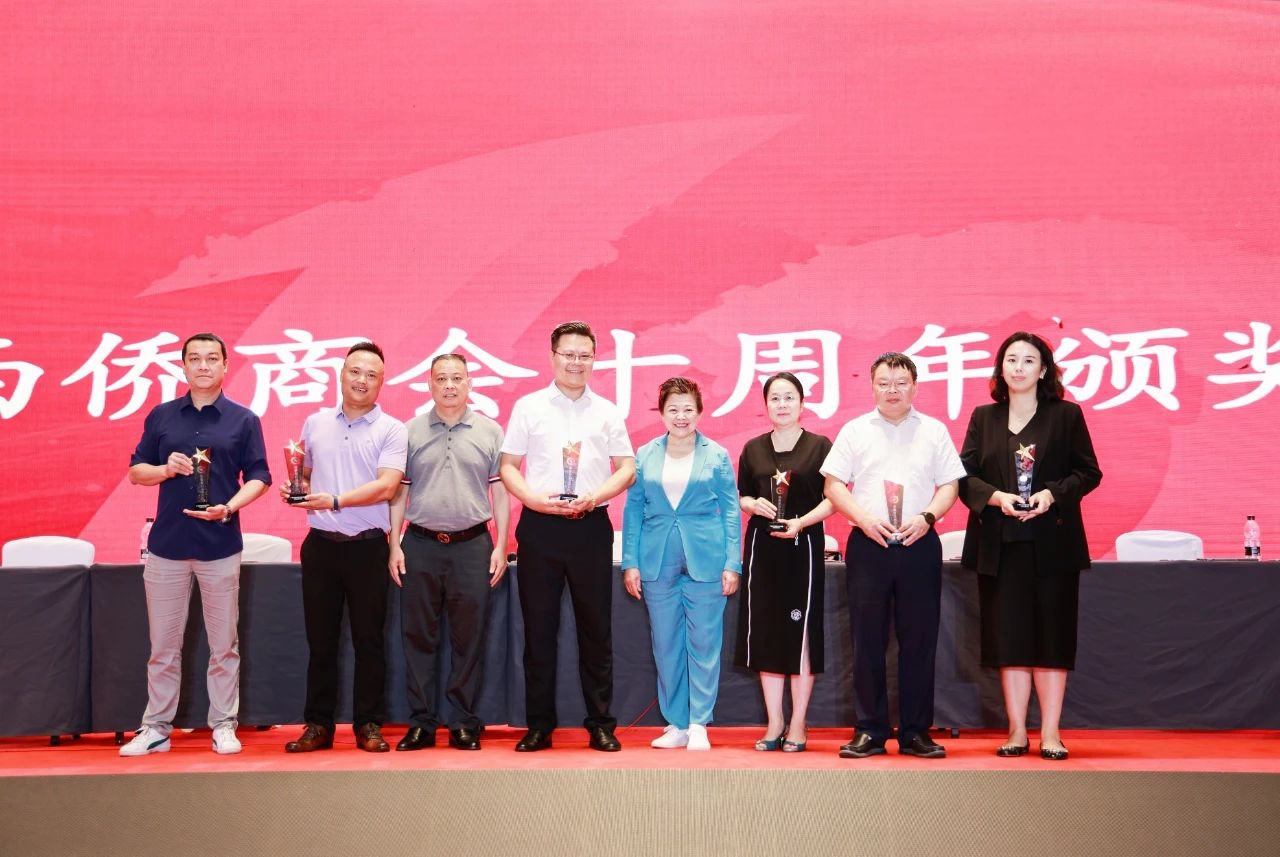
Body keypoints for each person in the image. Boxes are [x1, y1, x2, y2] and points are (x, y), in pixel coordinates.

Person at [121, 332, 271, 756]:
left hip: (220, 545)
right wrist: (165, 469)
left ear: (225, 366)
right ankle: (156, 727)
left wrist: (229, 508)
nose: (203, 366)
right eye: (195, 359)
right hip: (167, 546)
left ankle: (223, 724)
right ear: (183, 366)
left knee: (224, 646)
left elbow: (260, 477)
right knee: (163, 647)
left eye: (211, 358)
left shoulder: (243, 420)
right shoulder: (162, 416)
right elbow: (136, 472)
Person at [958, 331, 1102, 761]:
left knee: (1052, 640)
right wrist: (996, 498)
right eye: (1011, 360)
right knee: (1010, 640)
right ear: (1000, 368)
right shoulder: (984, 417)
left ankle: (1051, 733)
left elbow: (1088, 472)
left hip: (1053, 543)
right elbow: (963, 477)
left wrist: (1052, 494)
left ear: (1043, 370)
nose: (1018, 367)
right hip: (1000, 544)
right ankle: (1017, 730)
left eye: (1028, 360)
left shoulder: (1066, 415)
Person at [821, 352, 965, 759]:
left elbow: (950, 485)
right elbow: (833, 485)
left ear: (914, 386)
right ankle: (869, 730)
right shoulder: (855, 430)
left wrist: (928, 517)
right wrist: (863, 519)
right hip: (870, 545)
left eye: (901, 382)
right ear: (872, 387)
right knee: (867, 640)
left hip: (920, 543)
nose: (892, 390)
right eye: (884, 383)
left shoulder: (934, 430)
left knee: (920, 640)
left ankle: (916, 731)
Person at [500, 321, 635, 752]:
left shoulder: (608, 411)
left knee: (596, 631)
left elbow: (627, 468)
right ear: (552, 356)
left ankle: (601, 723)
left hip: (590, 526)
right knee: (539, 630)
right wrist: (533, 500)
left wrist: (597, 496)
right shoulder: (529, 407)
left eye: (584, 355)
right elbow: (508, 467)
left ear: (594, 359)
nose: (576, 362)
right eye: (568, 354)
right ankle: (539, 725)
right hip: (540, 528)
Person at [283, 341, 407, 753]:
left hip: (368, 548)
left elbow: (387, 486)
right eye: (355, 371)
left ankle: (368, 724)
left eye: (372, 375)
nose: (362, 380)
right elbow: (306, 474)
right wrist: (296, 489)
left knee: (370, 642)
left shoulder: (392, 429)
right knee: (321, 642)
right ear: (341, 374)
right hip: (320, 547)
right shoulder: (315, 422)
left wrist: (336, 500)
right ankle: (317, 725)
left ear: (382, 382)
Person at [388, 354, 510, 752]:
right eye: (441, 378)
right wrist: (394, 544)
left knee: (468, 639)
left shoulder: (491, 431)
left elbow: (501, 492)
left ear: (469, 383)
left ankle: (463, 722)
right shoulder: (409, 431)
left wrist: (501, 545)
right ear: (429, 384)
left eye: (457, 378)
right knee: (417, 638)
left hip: (473, 546)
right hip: (420, 544)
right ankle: (421, 723)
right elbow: (399, 492)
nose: (449, 385)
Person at [621, 378, 741, 751]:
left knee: (704, 644)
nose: (681, 416)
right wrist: (630, 562)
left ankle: (699, 723)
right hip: (656, 562)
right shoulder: (645, 455)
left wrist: (733, 563)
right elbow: (633, 510)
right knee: (666, 645)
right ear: (661, 413)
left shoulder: (716, 454)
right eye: (673, 409)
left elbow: (731, 510)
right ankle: (677, 723)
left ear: (700, 412)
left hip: (707, 559)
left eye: (688, 409)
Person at [733, 372, 834, 753]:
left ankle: (799, 722)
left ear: (802, 403)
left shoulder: (820, 446)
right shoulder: (753, 448)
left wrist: (802, 522)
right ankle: (775, 721)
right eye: (774, 398)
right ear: (765, 405)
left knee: (801, 633)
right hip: (763, 549)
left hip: (803, 545)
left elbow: (834, 498)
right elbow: (742, 495)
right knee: (767, 634)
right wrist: (750, 505)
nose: (782, 404)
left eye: (789, 397)